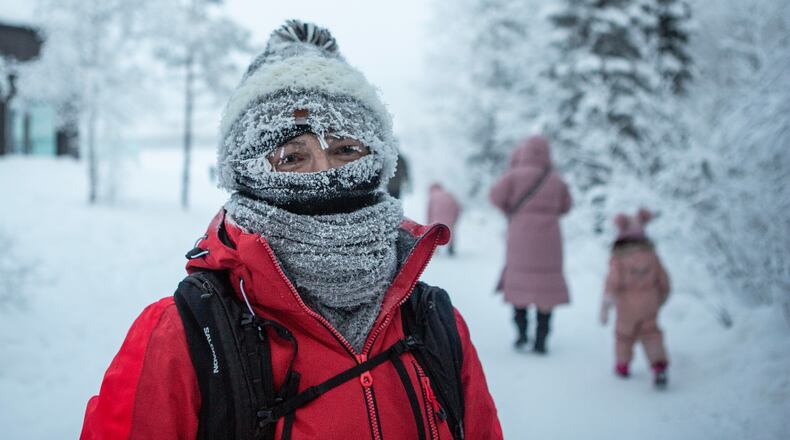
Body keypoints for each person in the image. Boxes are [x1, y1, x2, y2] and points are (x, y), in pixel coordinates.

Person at [80, 20, 502, 439]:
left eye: (345, 150)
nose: (325, 174)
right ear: (245, 174)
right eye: (291, 158)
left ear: (379, 163)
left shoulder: (434, 323)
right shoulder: (183, 337)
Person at [489, 135, 572, 353]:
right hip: (550, 240)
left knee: (519, 284)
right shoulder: (555, 178)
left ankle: (521, 334)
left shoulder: (513, 175)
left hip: (520, 235)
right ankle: (541, 340)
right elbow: (567, 205)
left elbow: (494, 196)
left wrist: (511, 209)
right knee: (546, 289)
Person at [600, 208, 671, 388]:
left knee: (624, 336)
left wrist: (606, 304)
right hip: (650, 302)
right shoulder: (651, 255)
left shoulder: (619, 258)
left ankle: (622, 366)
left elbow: (612, 282)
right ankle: (659, 365)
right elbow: (664, 279)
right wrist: (661, 297)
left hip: (626, 305)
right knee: (651, 334)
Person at [427, 183, 461, 256]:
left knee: (436, 231)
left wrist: (428, 222)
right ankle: (451, 248)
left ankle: (435, 248)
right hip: (450, 215)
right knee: (450, 230)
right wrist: (455, 218)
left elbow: (429, 210)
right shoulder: (449, 194)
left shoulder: (433, 196)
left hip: (436, 217)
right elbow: (457, 207)